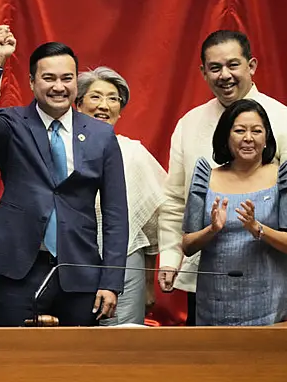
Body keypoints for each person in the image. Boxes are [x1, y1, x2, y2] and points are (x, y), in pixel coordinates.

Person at [0, 26, 128, 327]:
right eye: (48, 78)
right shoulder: (12, 123)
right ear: (31, 81)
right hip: (20, 267)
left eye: (67, 78)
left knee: (79, 362)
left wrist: (111, 280)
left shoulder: (101, 135)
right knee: (16, 360)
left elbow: (117, 214)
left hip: (80, 268)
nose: (58, 87)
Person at [157, 30, 287, 325]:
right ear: (203, 72)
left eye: (233, 65)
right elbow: (175, 199)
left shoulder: (282, 120)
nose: (225, 75)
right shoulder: (189, 124)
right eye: (215, 68)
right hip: (207, 277)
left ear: (251, 66)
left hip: (273, 278)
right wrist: (169, 256)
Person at [182, 99, 287, 325]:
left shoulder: (281, 178)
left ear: (267, 137)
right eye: (239, 130)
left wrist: (258, 229)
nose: (248, 138)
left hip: (269, 302)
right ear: (226, 136)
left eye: (256, 131)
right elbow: (188, 246)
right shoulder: (205, 177)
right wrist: (212, 229)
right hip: (215, 301)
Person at [76, 66, 166, 325]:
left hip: (126, 262)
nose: (104, 105)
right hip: (72, 261)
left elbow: (152, 224)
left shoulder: (134, 152)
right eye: (95, 97)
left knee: (123, 346)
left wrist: (149, 282)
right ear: (78, 104)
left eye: (113, 98)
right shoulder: (62, 148)